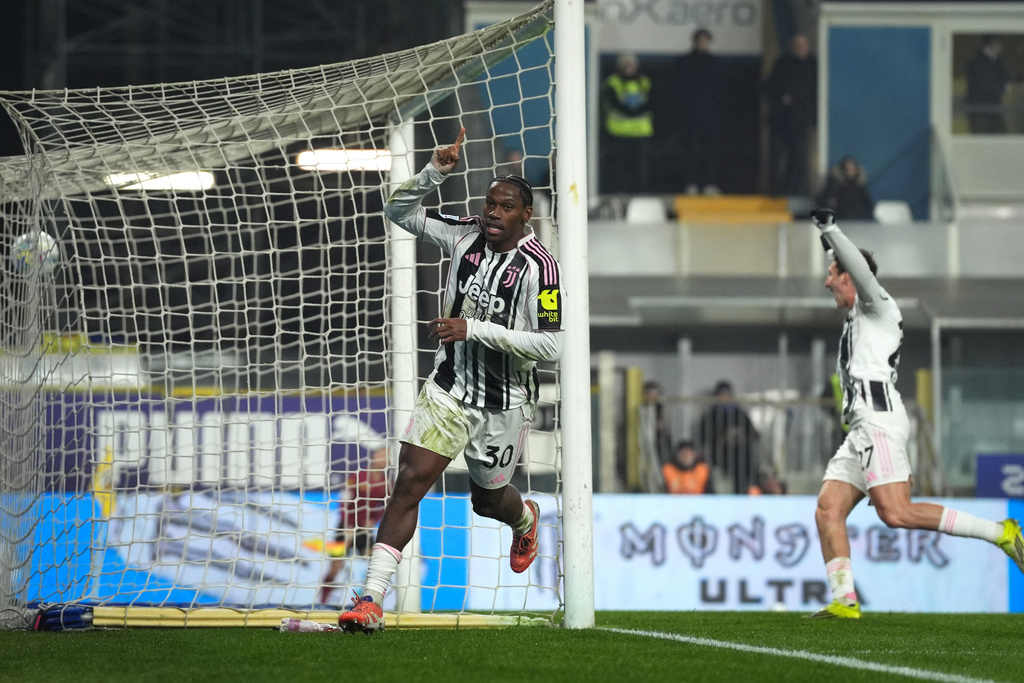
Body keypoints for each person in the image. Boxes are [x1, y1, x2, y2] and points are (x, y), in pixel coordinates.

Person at [337, 128, 564, 633]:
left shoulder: (541, 269)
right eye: (490, 204)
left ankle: (524, 519)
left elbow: (553, 346)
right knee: (409, 483)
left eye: (505, 207)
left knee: (488, 502)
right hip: (449, 388)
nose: (493, 213)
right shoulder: (462, 233)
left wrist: (473, 328)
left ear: (526, 215)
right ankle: (370, 598)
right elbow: (397, 213)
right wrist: (433, 172)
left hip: (504, 402)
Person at [809, 207, 1024, 619]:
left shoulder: (878, 305)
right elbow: (852, 267)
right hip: (860, 428)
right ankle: (845, 600)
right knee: (828, 508)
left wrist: (831, 228)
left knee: (897, 512)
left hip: (879, 421)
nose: (827, 281)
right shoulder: (859, 316)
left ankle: (1001, 533)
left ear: (851, 277)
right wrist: (830, 243)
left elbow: (860, 268)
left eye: (833, 274)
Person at [319, 445, 390, 605]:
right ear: (373, 456)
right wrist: (347, 524)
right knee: (336, 566)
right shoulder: (359, 476)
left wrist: (373, 521)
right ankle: (323, 599)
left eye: (386, 456)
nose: (384, 459)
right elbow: (344, 500)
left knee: (374, 565)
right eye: (381, 454)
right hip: (346, 527)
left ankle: (365, 599)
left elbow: (387, 506)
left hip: (364, 530)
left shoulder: (386, 484)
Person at [763, 32, 817, 197]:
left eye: (803, 45)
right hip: (780, 121)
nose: (800, 48)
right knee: (777, 157)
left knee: (798, 159)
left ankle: (795, 191)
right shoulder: (782, 63)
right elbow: (767, 87)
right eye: (797, 45)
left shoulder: (813, 66)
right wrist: (781, 99)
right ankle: (775, 191)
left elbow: (815, 94)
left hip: (801, 122)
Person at [677, 28, 724, 195]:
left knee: (711, 150)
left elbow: (721, 89)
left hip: (711, 115)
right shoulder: (685, 62)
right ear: (695, 41)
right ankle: (690, 183)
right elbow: (680, 89)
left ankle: (710, 183)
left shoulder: (715, 62)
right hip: (691, 114)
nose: (703, 43)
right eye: (700, 40)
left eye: (706, 40)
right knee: (691, 149)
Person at [600, 53, 654, 194]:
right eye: (626, 65)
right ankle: (620, 190)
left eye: (632, 65)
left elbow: (651, 102)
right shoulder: (613, 82)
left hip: (641, 131)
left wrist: (635, 111)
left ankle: (640, 191)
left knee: (640, 165)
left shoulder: (644, 82)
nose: (629, 68)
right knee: (620, 164)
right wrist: (631, 111)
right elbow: (612, 103)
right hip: (619, 131)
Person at [697, 380, 760, 494]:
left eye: (727, 394)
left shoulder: (740, 414)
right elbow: (704, 438)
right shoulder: (710, 416)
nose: (724, 397)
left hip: (741, 455)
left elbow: (754, 435)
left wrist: (739, 434)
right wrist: (723, 436)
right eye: (721, 394)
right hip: (720, 456)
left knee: (745, 468)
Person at [965, 35, 1012, 134]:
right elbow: (985, 86)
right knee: (983, 141)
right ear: (992, 43)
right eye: (999, 43)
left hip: (994, 109)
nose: (1001, 46)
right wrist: (1004, 87)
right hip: (980, 111)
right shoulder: (978, 62)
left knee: (1000, 138)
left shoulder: (997, 61)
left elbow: (1006, 77)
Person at [816, 156, 874, 221]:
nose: (850, 171)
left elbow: (868, 204)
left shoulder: (860, 186)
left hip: (858, 220)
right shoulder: (834, 186)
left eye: (852, 168)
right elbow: (825, 203)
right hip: (838, 219)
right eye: (848, 168)